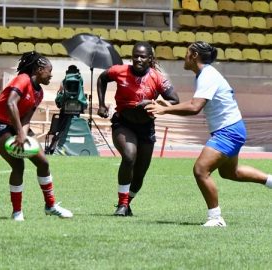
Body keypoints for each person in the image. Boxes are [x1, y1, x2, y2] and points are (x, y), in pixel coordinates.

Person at [146, 41, 272, 227]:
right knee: (231, 173)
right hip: (233, 128)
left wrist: (164, 111)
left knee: (200, 170)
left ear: (195, 55)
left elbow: (195, 107)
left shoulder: (207, 75)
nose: (184, 56)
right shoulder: (205, 75)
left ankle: (216, 218)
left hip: (228, 131)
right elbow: (196, 102)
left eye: (187, 52)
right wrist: (171, 106)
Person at [0, 51, 73, 221]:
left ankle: (51, 206)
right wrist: (19, 133)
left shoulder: (39, 93)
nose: (51, 75)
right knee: (18, 166)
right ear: (39, 69)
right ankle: (17, 212)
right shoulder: (23, 79)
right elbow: (11, 103)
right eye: (49, 71)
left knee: (43, 162)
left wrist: (22, 135)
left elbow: (26, 119)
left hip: (17, 127)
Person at [96, 41, 180, 216]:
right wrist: (102, 104)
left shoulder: (157, 78)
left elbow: (174, 100)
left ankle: (127, 203)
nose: (138, 59)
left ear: (150, 59)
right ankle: (121, 204)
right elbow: (102, 78)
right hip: (123, 123)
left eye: (142, 56)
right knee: (129, 156)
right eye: (135, 56)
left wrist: (152, 103)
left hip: (146, 127)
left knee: (140, 173)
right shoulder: (120, 71)